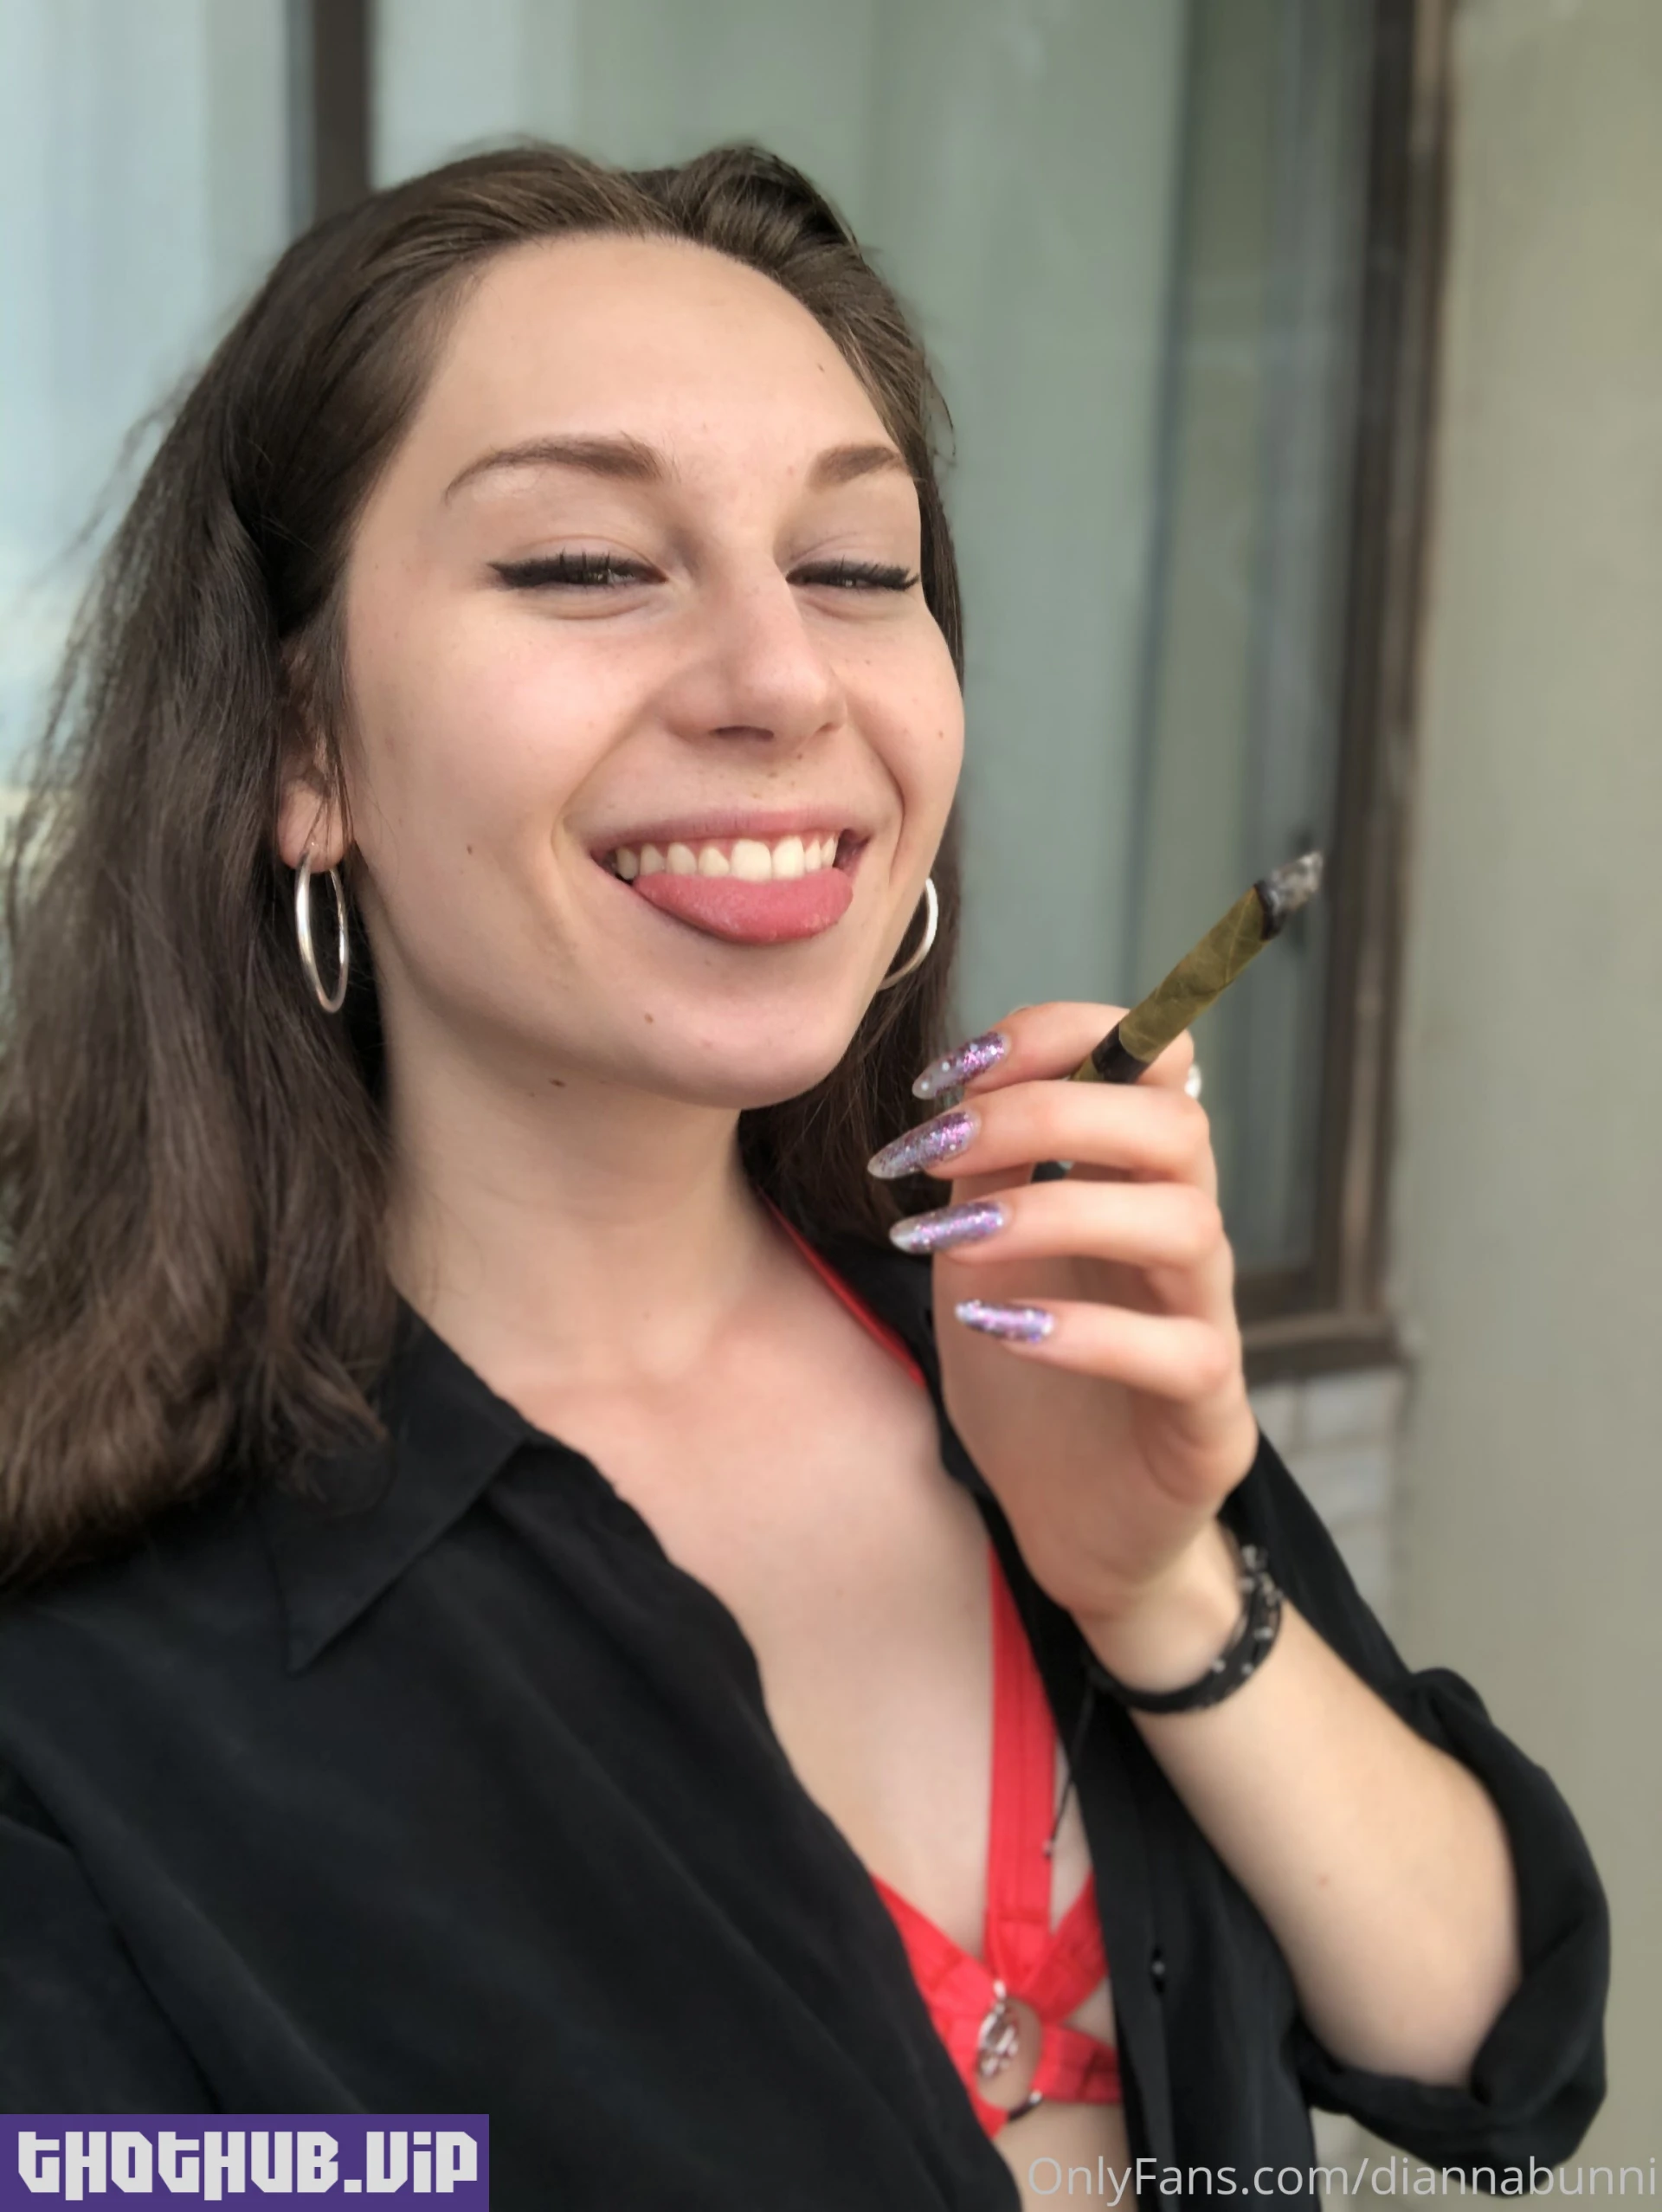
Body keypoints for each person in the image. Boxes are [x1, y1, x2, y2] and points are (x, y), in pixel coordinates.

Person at [0, 145, 1606, 2211]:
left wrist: (1156, 1584)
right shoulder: (82, 1684)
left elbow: (1500, 2069)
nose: (783, 679)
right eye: (587, 563)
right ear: (300, 747)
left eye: (855, 568)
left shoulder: (1014, 1322)